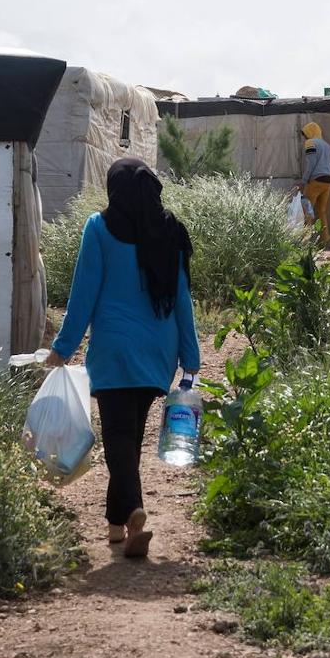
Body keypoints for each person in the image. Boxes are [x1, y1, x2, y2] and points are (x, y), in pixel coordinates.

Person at [45, 158, 201, 558]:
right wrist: (190, 353)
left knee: (118, 435)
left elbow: (83, 293)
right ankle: (118, 528)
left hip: (114, 348)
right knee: (129, 437)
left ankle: (133, 509)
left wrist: (63, 348)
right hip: (158, 350)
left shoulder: (99, 228)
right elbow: (182, 297)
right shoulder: (170, 230)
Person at [299, 121, 330, 244]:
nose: (305, 137)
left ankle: (306, 242)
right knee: (321, 212)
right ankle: (325, 240)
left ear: (310, 132)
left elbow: (311, 163)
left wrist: (303, 181)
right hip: (327, 183)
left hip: (315, 181)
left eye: (305, 134)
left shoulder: (310, 143)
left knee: (307, 210)